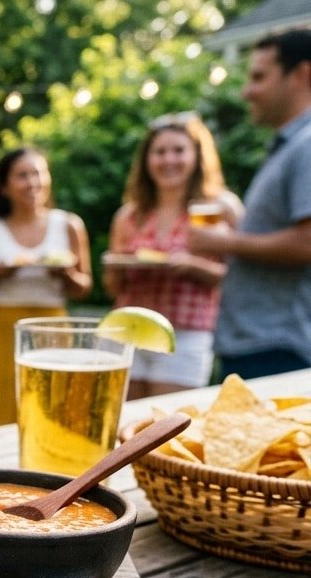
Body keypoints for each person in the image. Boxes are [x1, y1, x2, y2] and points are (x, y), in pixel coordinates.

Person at [188, 28, 311, 379]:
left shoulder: (307, 143)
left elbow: (307, 241)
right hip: (258, 344)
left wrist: (224, 241)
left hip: (279, 348)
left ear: (303, 74)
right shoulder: (289, 146)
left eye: (259, 77)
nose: (247, 91)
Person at [105, 113, 242, 398]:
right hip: (128, 330)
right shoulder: (129, 215)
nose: (169, 160)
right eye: (159, 152)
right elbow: (112, 287)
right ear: (146, 160)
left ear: (196, 155)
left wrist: (193, 267)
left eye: (178, 150)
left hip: (186, 336)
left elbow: (245, 278)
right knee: (128, 429)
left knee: (171, 426)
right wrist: (117, 267)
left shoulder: (220, 207)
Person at [0, 147, 92, 429]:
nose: (32, 182)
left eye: (38, 173)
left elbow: (83, 287)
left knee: (52, 416)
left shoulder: (68, 225)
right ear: (5, 187)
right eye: (22, 175)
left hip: (53, 331)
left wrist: (65, 274)